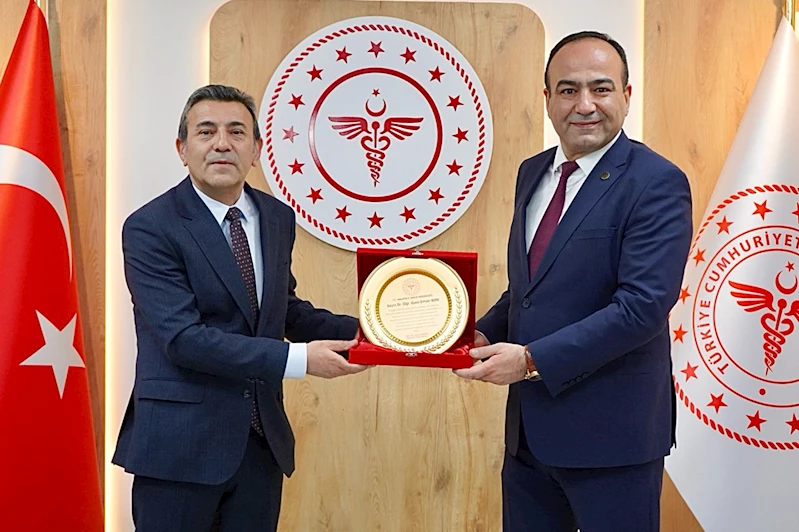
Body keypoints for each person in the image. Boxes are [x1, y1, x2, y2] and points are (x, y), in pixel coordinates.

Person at [454, 32, 693, 531]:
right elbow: (531, 288)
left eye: (600, 88)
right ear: (547, 100)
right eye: (568, 90)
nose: (584, 105)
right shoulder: (532, 173)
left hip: (613, 441)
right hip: (528, 441)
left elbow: (642, 308)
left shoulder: (656, 181)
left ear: (627, 94)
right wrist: (479, 332)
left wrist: (530, 360)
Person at [112, 84, 368, 532]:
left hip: (259, 446)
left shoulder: (276, 217)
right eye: (205, 131)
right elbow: (183, 340)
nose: (222, 143)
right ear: (182, 149)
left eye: (236, 131)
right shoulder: (150, 227)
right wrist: (299, 360)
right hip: (179, 449)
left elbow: (283, 310)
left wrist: (378, 332)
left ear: (256, 150)